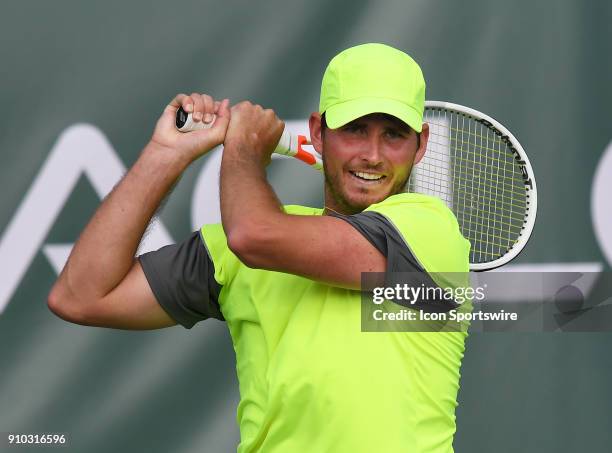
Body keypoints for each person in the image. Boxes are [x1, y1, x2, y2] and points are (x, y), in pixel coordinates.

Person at [48, 43, 470, 452]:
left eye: (393, 135)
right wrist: (166, 154)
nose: (373, 155)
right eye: (356, 130)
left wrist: (246, 148)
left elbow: (253, 235)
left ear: (422, 145)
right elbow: (80, 297)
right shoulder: (232, 254)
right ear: (319, 133)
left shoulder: (429, 231)